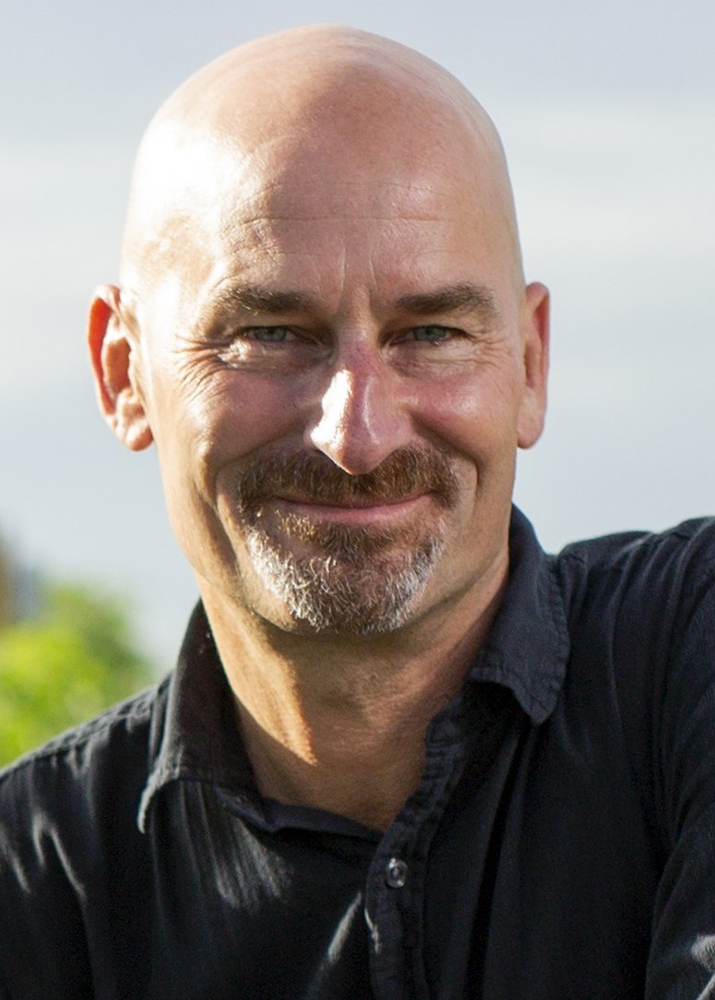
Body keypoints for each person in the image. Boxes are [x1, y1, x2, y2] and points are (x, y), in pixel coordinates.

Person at [1, 24, 714, 1000]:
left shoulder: (688, 668)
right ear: (123, 371)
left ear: (531, 364)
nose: (358, 434)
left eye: (429, 330)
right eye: (268, 333)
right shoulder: (33, 885)